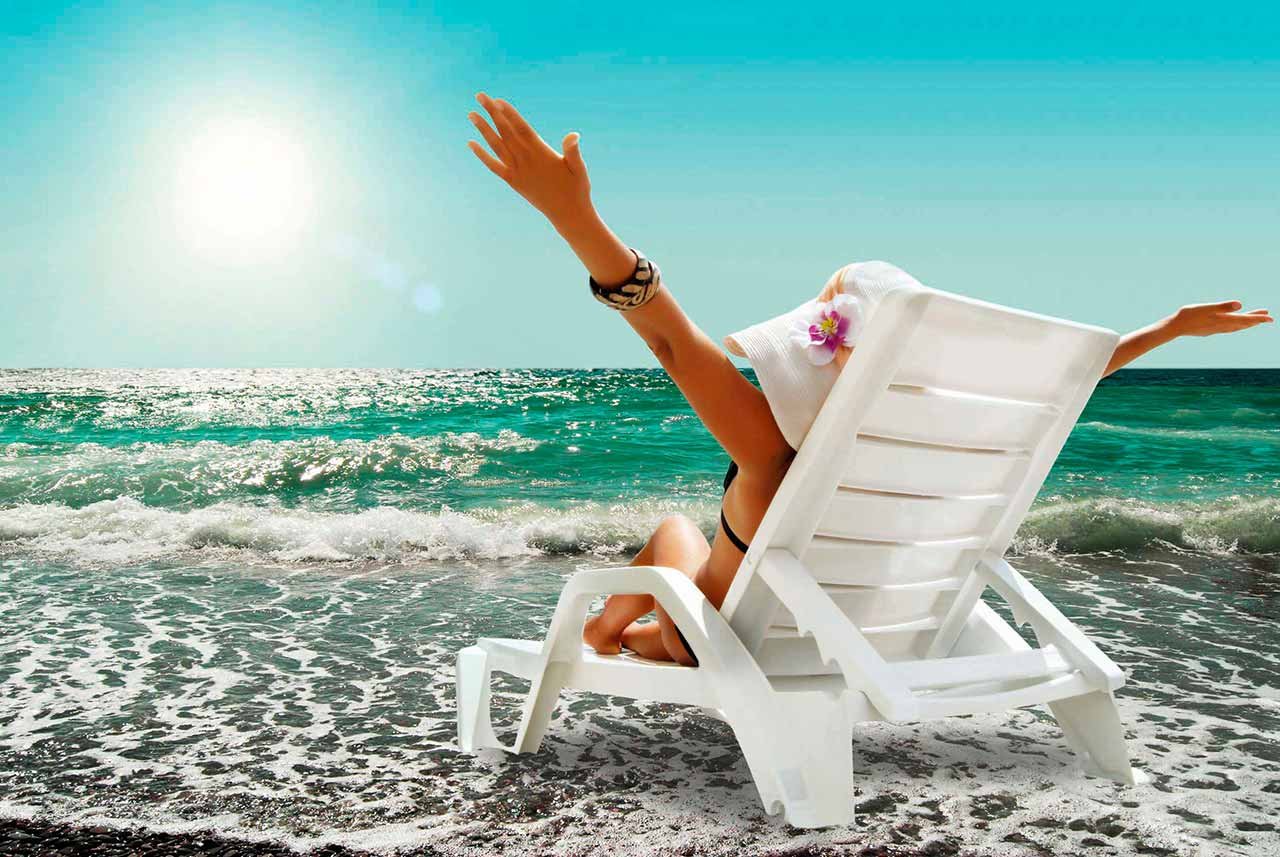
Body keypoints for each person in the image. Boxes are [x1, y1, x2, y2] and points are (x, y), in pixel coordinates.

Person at [466, 93, 1273, 667]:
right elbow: (1052, 382)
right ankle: (615, 633)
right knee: (681, 549)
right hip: (842, 638)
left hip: (717, 639)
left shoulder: (774, 458)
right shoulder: (928, 452)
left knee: (674, 536)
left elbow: (673, 341)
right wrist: (1165, 331)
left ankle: (603, 635)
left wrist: (574, 217)